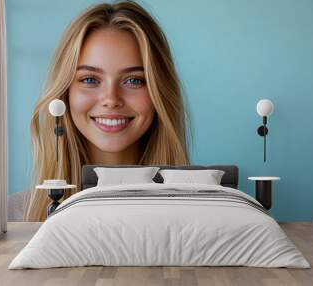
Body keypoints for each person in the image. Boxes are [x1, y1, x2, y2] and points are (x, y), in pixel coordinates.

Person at [24, 0, 190, 221]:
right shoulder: (12, 216)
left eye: (134, 80)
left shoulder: (198, 216)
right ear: (65, 93)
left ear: (159, 92)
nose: (111, 99)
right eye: (90, 79)